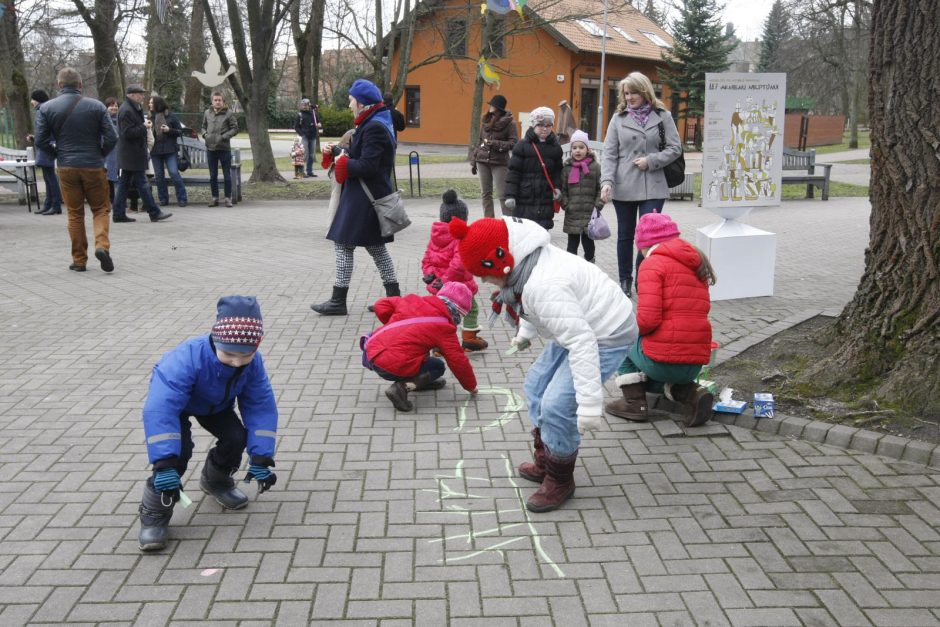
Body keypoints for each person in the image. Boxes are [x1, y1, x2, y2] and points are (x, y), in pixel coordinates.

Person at [449, 216, 638, 512]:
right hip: (580, 325)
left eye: (483, 274)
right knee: (535, 385)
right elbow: (540, 311)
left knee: (557, 404)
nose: (483, 281)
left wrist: (588, 403)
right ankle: (546, 458)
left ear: (500, 260)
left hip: (606, 331)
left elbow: (580, 341)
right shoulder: (527, 267)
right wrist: (526, 332)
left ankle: (561, 477)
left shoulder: (543, 284)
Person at [137, 295, 279, 551]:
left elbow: (260, 406)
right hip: (178, 406)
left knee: (236, 437)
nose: (237, 362)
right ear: (216, 340)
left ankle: (215, 480)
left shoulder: (253, 364)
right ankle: (154, 515)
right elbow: (161, 409)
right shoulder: (185, 360)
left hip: (216, 405)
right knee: (177, 457)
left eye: (245, 355)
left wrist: (261, 457)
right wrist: (163, 462)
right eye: (229, 354)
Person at [605, 213, 716, 427]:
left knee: (619, 338)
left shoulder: (652, 264)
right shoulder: (695, 262)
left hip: (663, 362)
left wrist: (628, 330)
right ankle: (691, 393)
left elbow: (648, 320)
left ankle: (634, 403)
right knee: (659, 357)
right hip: (694, 364)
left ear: (645, 245)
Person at [311, 78, 400, 316]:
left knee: (344, 245)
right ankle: (394, 300)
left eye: (351, 99)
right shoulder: (373, 122)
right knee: (376, 250)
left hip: (365, 198)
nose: (349, 104)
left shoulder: (374, 127)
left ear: (362, 103)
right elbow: (362, 156)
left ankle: (338, 301)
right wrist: (340, 151)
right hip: (364, 196)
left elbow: (369, 166)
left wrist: (342, 159)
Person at [600, 71, 681, 297]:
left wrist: (652, 160)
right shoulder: (619, 118)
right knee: (625, 235)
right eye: (626, 93)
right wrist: (606, 181)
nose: (629, 97)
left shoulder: (662, 115)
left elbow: (675, 148)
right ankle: (625, 280)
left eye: (634, 92)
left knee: (650, 236)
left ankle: (643, 278)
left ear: (644, 91)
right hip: (624, 184)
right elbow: (609, 153)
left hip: (653, 184)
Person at [34, 67, 118, 273]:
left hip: (66, 166)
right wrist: (100, 153)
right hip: (93, 165)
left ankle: (79, 260)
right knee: (100, 209)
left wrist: (57, 154)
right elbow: (112, 137)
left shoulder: (46, 109)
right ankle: (101, 246)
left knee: (74, 213)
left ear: (59, 85)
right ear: (80, 85)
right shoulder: (97, 107)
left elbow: (40, 140)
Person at [364, 282, 478, 412]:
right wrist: (471, 386)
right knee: (437, 366)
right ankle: (402, 387)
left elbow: (381, 305)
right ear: (458, 312)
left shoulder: (413, 301)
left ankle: (420, 382)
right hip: (392, 365)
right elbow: (457, 360)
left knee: (423, 355)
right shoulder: (444, 328)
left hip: (371, 352)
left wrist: (394, 323)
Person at [421, 189, 488, 352]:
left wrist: (430, 276)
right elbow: (459, 265)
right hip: (459, 286)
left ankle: (438, 344)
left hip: (438, 286)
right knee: (472, 308)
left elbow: (426, 259)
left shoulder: (436, 236)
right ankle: (469, 338)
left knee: (441, 314)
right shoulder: (460, 237)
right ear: (462, 218)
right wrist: (446, 280)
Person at [112, 84, 173, 223]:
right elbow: (127, 133)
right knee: (142, 184)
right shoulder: (126, 110)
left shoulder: (133, 108)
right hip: (131, 154)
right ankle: (154, 212)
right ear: (132, 95)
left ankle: (118, 214)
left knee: (124, 184)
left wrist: (142, 127)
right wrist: (144, 127)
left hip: (133, 153)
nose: (143, 96)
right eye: (140, 94)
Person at [504, 106, 564, 230]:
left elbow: (558, 171)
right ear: (533, 125)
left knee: (542, 232)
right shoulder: (522, 146)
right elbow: (513, 173)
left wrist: (558, 187)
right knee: (525, 231)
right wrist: (510, 195)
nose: (545, 128)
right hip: (525, 195)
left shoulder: (555, 148)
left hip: (545, 196)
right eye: (541, 125)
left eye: (548, 125)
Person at [560, 130, 603, 262]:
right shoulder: (566, 168)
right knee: (571, 247)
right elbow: (563, 190)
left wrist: (597, 206)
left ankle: (590, 266)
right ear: (571, 150)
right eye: (574, 148)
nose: (578, 151)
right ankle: (572, 270)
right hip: (572, 214)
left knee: (589, 245)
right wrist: (566, 205)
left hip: (589, 214)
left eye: (581, 147)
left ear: (587, 149)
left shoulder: (595, 167)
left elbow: (599, 189)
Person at [471, 94, 517, 218]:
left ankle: (509, 224)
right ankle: (488, 222)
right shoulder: (486, 120)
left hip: (500, 162)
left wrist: (495, 144)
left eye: (492, 105)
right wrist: (474, 158)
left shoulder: (510, 124)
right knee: (485, 194)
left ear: (498, 108)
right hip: (482, 161)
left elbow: (513, 143)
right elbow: (479, 140)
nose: (490, 107)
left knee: (503, 195)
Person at [26, 89, 62, 215]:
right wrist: (35, 138)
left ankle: (55, 205)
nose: (31, 102)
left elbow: (45, 133)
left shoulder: (42, 111)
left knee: (50, 178)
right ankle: (48, 204)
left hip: (46, 147)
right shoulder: (48, 110)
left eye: (33, 99)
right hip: (47, 145)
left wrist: (38, 140)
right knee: (48, 178)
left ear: (38, 100)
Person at [149, 95, 188, 207]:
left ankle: (182, 198)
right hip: (155, 151)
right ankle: (163, 199)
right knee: (159, 176)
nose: (150, 105)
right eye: (149, 103)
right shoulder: (150, 117)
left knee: (174, 173)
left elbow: (180, 132)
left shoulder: (170, 116)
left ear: (158, 104)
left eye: (152, 103)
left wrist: (169, 130)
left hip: (170, 150)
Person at [202, 91, 239, 207]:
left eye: (219, 100)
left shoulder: (229, 114)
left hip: (224, 149)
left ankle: (228, 198)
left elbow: (235, 128)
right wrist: (205, 135)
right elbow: (203, 127)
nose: (217, 102)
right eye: (215, 100)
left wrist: (224, 137)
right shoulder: (207, 113)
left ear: (223, 101)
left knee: (226, 175)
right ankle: (215, 198)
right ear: (212, 101)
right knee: (213, 175)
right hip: (210, 149)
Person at [293, 98, 322, 178]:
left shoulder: (313, 113)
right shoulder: (300, 115)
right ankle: (301, 172)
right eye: (303, 105)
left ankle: (309, 171)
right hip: (304, 137)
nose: (304, 106)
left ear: (309, 105)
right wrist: (302, 134)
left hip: (313, 136)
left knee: (311, 155)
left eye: (306, 105)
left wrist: (319, 124)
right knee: (304, 155)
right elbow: (296, 127)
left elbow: (318, 121)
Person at [103, 97, 120, 203]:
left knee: (120, 177)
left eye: (116, 105)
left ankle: (118, 200)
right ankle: (111, 199)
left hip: (119, 151)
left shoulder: (121, 119)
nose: (114, 108)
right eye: (111, 106)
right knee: (108, 176)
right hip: (108, 152)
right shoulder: (103, 120)